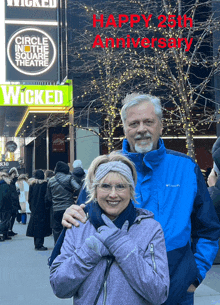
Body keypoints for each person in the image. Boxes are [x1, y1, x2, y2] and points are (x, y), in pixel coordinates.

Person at [61, 93, 220, 305]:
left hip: (176, 291)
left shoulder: (185, 168)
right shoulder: (105, 169)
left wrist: (194, 275)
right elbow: (83, 218)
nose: (141, 129)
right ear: (125, 128)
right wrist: (71, 214)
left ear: (161, 126)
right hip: (119, 293)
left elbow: (208, 228)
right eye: (134, 123)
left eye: (148, 122)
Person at [50, 152, 169, 305]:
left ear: (131, 190)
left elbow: (158, 293)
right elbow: (59, 287)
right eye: (105, 186)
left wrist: (120, 244)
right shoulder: (79, 223)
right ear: (95, 190)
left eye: (121, 186)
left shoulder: (150, 229)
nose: (113, 194)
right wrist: (90, 251)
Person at [45, 161, 82, 244]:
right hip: (68, 207)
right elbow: (78, 188)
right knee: (69, 228)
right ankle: (68, 247)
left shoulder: (51, 181)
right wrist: (74, 195)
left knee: (57, 229)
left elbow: (48, 197)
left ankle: (57, 247)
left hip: (56, 209)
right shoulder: (69, 178)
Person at [26, 169, 51, 250]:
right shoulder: (45, 185)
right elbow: (47, 198)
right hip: (43, 208)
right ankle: (39, 244)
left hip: (34, 208)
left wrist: (31, 207)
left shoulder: (32, 185)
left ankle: (36, 243)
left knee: (35, 225)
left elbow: (29, 198)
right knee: (41, 226)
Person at [0, 171, 13, 241]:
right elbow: (6, 196)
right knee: (4, 221)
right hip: (5, 206)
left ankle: (5, 235)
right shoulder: (4, 185)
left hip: (3, 206)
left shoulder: (2, 184)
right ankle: (3, 234)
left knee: (4, 221)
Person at [8, 167, 21, 236]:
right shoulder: (10, 182)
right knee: (11, 216)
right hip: (12, 201)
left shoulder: (13, 182)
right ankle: (9, 230)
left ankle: (10, 229)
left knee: (13, 216)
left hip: (14, 200)